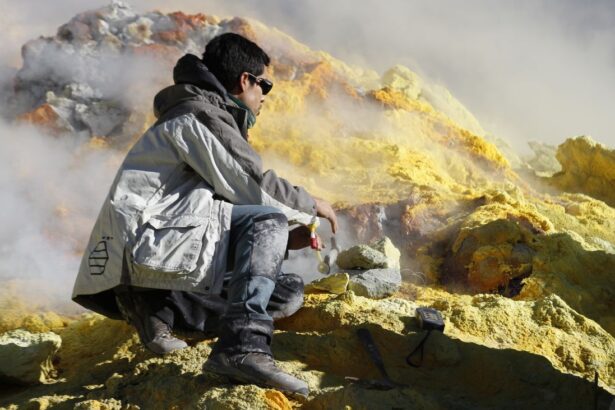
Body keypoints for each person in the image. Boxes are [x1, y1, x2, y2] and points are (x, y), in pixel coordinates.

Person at [71, 32, 338, 397]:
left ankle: (159, 313)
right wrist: (310, 204)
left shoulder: (193, 114)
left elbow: (213, 209)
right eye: (266, 86)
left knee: (286, 291)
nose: (264, 98)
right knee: (266, 220)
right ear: (245, 80)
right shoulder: (199, 115)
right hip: (144, 255)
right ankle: (243, 348)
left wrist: (284, 241)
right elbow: (252, 185)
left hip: (149, 259)